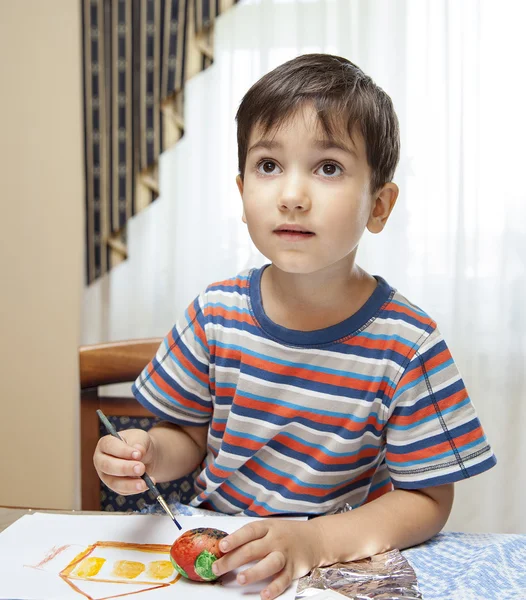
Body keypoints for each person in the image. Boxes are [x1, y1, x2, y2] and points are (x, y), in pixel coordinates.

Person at [93, 54, 496, 599]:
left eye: (328, 167)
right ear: (242, 194)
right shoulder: (215, 315)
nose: (291, 195)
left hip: (342, 566)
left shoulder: (408, 343)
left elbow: (427, 500)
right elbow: (186, 439)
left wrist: (313, 541)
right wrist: (145, 452)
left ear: (379, 205)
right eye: (268, 166)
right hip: (225, 562)